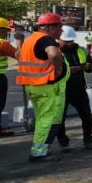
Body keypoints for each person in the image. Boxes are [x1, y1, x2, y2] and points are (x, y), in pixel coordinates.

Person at [15, 13, 69, 163]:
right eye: (59, 27)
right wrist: (58, 68)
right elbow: (52, 54)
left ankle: (42, 149)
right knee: (47, 121)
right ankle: (38, 153)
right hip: (46, 87)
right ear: (51, 27)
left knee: (46, 119)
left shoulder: (31, 39)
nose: (61, 31)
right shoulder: (46, 39)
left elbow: (17, 54)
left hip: (34, 85)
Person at [50, 26, 92, 151]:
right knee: (60, 117)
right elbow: (52, 70)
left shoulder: (81, 50)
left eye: (71, 40)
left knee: (86, 115)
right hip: (61, 90)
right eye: (66, 41)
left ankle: (88, 139)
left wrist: (88, 67)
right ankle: (63, 142)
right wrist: (72, 70)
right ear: (60, 40)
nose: (70, 43)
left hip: (79, 88)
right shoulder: (54, 51)